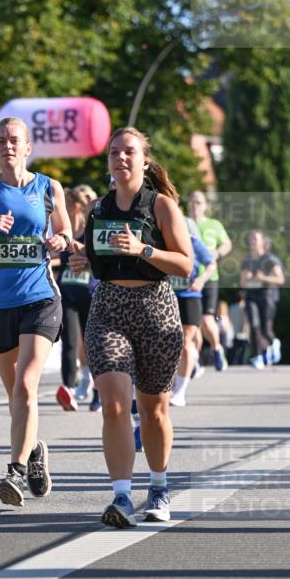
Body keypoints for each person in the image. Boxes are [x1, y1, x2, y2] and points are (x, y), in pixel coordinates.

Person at [0, 116, 72, 504]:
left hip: (40, 297)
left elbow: (67, 233)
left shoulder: (49, 187)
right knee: (16, 395)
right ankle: (34, 450)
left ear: (27, 147)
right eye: (1, 140)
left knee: (26, 385)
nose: (7, 145)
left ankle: (15, 472)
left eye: (14, 140)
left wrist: (60, 241)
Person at [82, 126, 191, 528]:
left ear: (145, 161)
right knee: (113, 402)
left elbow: (185, 263)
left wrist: (144, 248)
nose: (120, 158)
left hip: (155, 309)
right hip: (109, 308)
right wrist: (79, 257)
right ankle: (122, 496)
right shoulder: (96, 209)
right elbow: (97, 259)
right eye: (114, 153)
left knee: (154, 410)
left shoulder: (160, 206)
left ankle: (159, 488)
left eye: (129, 152)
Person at [55, 185, 99, 412]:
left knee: (93, 343)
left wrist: (81, 248)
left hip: (90, 293)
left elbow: (99, 254)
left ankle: (98, 392)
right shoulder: (64, 231)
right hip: (68, 293)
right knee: (69, 342)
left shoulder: (92, 229)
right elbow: (55, 256)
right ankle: (68, 389)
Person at [169, 233, 216, 407]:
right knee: (169, 342)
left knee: (185, 340)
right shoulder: (160, 237)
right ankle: (178, 374)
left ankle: (180, 391)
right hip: (166, 295)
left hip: (190, 295)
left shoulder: (193, 241)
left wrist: (201, 280)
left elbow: (211, 264)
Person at [187, 190, 232, 370]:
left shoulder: (214, 225)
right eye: (192, 202)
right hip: (188, 279)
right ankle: (194, 361)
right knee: (192, 324)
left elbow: (227, 244)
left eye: (199, 202)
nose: (195, 206)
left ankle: (216, 348)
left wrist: (218, 252)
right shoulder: (185, 223)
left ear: (205, 205)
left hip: (209, 277)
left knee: (206, 319)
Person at [239, 230, 285, 369]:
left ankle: (274, 342)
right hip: (251, 295)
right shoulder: (246, 260)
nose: (252, 241)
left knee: (265, 329)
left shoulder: (269, 259)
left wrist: (264, 278)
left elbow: (280, 279)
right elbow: (242, 283)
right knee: (253, 325)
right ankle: (258, 356)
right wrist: (245, 278)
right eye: (251, 238)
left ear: (262, 242)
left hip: (266, 296)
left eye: (255, 239)